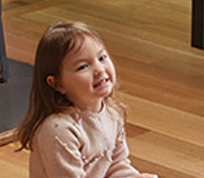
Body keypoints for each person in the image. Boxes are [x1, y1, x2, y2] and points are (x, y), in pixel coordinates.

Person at [16, 22, 157, 177]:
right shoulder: (59, 131)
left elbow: (117, 165)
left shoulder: (112, 112)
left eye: (102, 58)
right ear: (57, 84)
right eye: (83, 67)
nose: (99, 70)